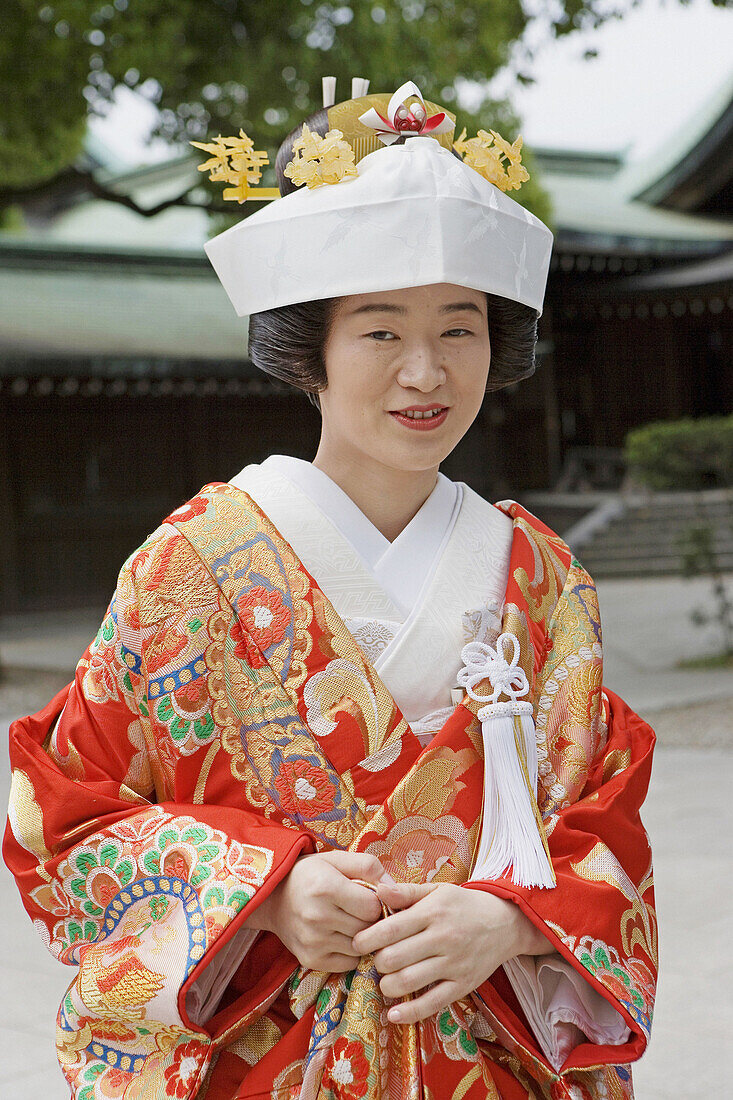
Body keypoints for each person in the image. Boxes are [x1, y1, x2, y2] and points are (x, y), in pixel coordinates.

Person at [4, 78, 656, 1100]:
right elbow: (63, 811)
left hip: (489, 1057)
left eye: (460, 328)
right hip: (269, 1058)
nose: (426, 371)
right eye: (381, 331)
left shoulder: (543, 578)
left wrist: (516, 918)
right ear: (308, 351)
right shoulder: (195, 565)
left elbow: (601, 810)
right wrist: (265, 894)